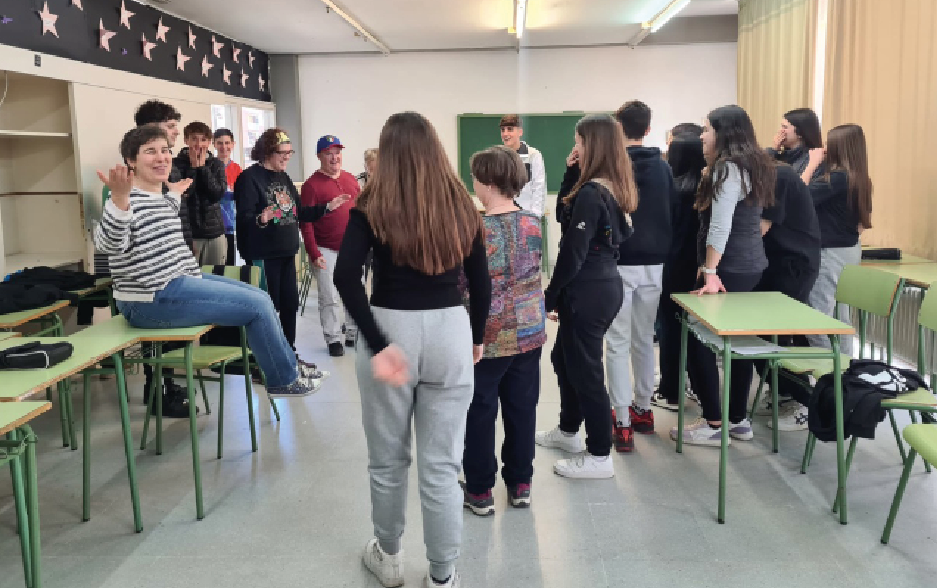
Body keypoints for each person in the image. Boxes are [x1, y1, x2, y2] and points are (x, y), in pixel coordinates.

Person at [333, 111, 491, 588]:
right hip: (450, 330)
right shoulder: (461, 204)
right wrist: (476, 337)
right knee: (442, 465)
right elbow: (480, 281)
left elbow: (345, 277)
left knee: (387, 460)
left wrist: (378, 343)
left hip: (391, 325)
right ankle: (443, 576)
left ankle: (389, 557)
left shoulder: (372, 204)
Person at [94, 125, 323, 400]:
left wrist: (175, 192)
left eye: (165, 150)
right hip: (150, 300)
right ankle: (283, 379)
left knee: (262, 297)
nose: (162, 157)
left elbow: (164, 210)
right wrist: (118, 199)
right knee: (259, 305)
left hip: (179, 282)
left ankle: (290, 368)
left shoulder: (159, 197)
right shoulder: (124, 200)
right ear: (131, 161)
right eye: (150, 151)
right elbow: (107, 245)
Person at [534, 114, 636, 479]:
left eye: (579, 142)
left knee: (586, 372)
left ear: (592, 145)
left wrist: (550, 296)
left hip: (589, 289)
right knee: (564, 360)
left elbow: (572, 253)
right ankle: (568, 431)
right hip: (598, 285)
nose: (574, 147)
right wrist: (570, 172)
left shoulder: (594, 193)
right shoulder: (605, 185)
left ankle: (599, 455)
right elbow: (566, 216)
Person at [669, 105, 776, 447]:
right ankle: (738, 420)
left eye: (707, 130)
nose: (702, 136)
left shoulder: (727, 168)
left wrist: (711, 270)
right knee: (740, 342)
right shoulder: (754, 164)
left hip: (728, 268)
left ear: (724, 133)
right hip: (750, 265)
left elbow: (720, 223)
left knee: (698, 338)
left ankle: (714, 422)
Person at [460, 146, 546, 516]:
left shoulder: (476, 230)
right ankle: (520, 483)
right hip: (529, 330)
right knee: (522, 408)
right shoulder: (533, 222)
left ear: (489, 182)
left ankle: (480, 490)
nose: (473, 185)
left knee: (479, 411)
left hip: (487, 336)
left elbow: (465, 285)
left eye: (475, 178)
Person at [235, 128, 349, 360]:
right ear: (268, 151)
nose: (287, 157)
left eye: (290, 152)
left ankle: (288, 353)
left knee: (290, 306)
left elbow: (299, 212)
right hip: (264, 254)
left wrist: (327, 208)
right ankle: (265, 358)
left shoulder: (283, 177)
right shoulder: (249, 178)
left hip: (287, 252)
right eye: (282, 153)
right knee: (268, 308)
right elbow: (245, 218)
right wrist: (261, 218)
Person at [751, 163, 822, 430]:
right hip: (776, 263)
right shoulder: (768, 175)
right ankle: (783, 393)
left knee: (777, 337)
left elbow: (758, 228)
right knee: (761, 336)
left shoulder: (777, 176)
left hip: (793, 265)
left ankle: (805, 403)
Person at [800, 124, 873, 353]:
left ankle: (828, 369)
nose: (823, 148)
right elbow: (862, 224)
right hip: (849, 249)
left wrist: (811, 164)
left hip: (830, 252)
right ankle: (845, 367)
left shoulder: (837, 178)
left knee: (817, 315)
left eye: (828, 144)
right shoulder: (860, 178)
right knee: (840, 315)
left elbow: (798, 196)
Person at [653, 134, 706, 413]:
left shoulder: (670, 190)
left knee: (670, 331)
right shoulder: (706, 189)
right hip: (700, 270)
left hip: (672, 267)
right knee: (698, 333)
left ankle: (671, 391)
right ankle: (698, 387)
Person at [300, 135, 361, 357]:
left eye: (337, 153)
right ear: (319, 156)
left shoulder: (350, 179)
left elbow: (360, 212)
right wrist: (313, 252)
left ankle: (352, 333)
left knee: (353, 293)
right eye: (328, 153)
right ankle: (333, 338)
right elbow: (305, 222)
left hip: (351, 248)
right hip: (325, 249)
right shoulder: (311, 186)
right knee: (329, 297)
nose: (334, 158)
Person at [175, 122, 227, 265]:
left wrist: (203, 168)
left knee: (216, 274)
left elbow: (217, 194)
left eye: (203, 140)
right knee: (191, 276)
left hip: (214, 232)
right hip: (188, 234)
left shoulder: (216, 164)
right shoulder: (176, 164)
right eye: (194, 139)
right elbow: (184, 194)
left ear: (209, 142)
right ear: (186, 140)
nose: (198, 144)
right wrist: (193, 168)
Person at [500, 114, 547, 217]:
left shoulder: (533, 155)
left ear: (520, 132)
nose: (505, 134)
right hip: (504, 215)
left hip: (527, 214)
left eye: (510, 129)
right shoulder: (498, 156)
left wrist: (535, 215)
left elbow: (539, 187)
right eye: (503, 130)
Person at [213, 128, 242, 265]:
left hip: (231, 226)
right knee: (215, 267)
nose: (224, 147)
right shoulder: (209, 167)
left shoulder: (237, 169)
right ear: (214, 144)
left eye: (227, 143)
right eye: (220, 143)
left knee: (229, 265)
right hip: (213, 226)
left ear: (233, 144)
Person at [768, 108, 823, 177]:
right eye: (781, 126)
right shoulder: (780, 156)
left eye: (785, 127)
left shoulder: (813, 160)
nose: (780, 131)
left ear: (800, 132)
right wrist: (773, 150)